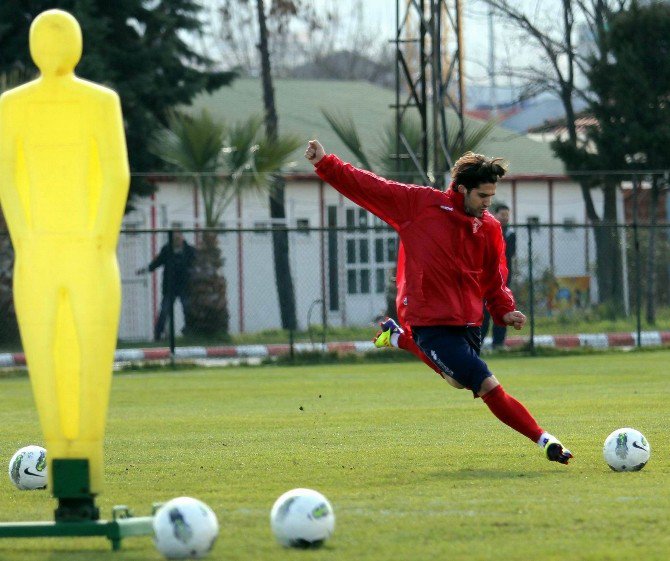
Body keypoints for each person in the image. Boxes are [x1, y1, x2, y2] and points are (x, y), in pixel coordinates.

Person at [304, 139, 573, 465]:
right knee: (485, 383)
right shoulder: (420, 205)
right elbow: (370, 187)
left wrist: (504, 310)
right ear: (460, 189)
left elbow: (494, 278)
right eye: (482, 196)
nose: (488, 203)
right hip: (427, 318)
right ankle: (546, 440)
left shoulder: (489, 228)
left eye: (491, 196)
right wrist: (325, 163)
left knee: (457, 379)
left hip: (469, 321)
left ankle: (399, 338)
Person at [137, 228, 196, 341]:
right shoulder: (167, 250)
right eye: (174, 238)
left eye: (178, 237)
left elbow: (197, 264)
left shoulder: (189, 250)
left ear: (182, 238)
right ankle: (158, 334)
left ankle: (190, 332)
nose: (177, 240)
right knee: (164, 311)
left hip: (185, 286)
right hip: (170, 286)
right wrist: (145, 269)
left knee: (188, 310)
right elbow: (157, 262)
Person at [481, 203, 516, 349]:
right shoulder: (485, 229)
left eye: (507, 215)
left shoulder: (510, 233)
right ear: (494, 214)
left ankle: (499, 343)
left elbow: (510, 254)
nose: (505, 218)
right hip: (484, 278)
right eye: (502, 215)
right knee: (483, 312)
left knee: (503, 309)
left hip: (502, 278)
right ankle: (478, 343)